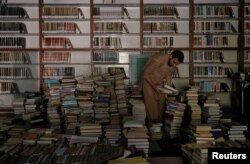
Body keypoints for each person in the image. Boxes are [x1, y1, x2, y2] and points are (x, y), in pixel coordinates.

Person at [139, 50, 184, 123]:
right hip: (148, 81)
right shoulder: (158, 59)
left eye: (177, 64)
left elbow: (168, 75)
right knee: (152, 105)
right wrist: (154, 87)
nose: (175, 65)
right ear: (171, 56)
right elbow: (145, 74)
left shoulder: (173, 64)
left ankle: (160, 125)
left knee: (162, 102)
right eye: (174, 62)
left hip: (158, 83)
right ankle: (154, 126)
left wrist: (171, 89)